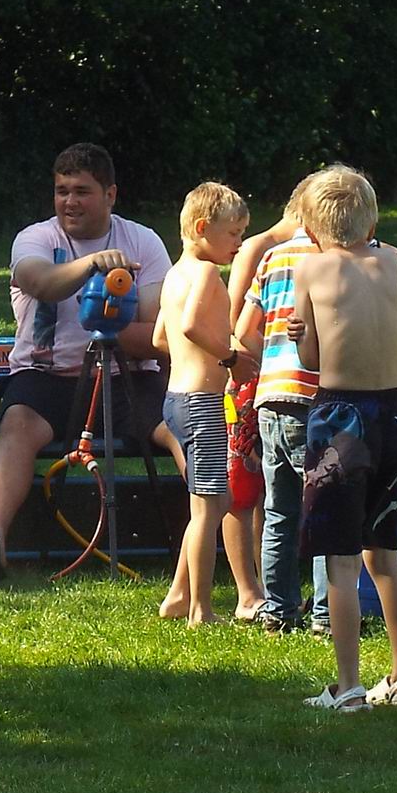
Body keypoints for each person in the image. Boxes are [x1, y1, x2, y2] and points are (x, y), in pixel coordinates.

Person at [0, 143, 183, 582]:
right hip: (47, 377)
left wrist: (113, 327)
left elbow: (158, 333)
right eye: (61, 191)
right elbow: (41, 282)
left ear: (110, 194)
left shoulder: (142, 241)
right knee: (18, 426)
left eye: (82, 191)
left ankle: (213, 531)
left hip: (125, 376)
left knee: (182, 426)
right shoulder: (36, 239)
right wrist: (91, 266)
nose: (69, 202)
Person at [290, 167, 397, 712]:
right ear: (371, 221)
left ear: (311, 227)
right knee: (385, 551)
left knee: (340, 560)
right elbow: (393, 331)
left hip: (339, 418)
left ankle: (347, 685)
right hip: (393, 413)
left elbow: (312, 359)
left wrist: (300, 335)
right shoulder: (396, 262)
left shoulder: (309, 268)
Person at [232, 174, 332, 636]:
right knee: (324, 506)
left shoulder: (272, 257)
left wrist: (269, 360)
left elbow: (245, 329)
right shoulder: (331, 259)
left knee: (279, 509)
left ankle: (278, 608)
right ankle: (326, 613)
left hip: (272, 395)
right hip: (316, 394)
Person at [153, 182, 253, 626]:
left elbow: (161, 337)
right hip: (202, 402)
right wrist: (229, 358)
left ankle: (178, 595)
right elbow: (192, 325)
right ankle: (200, 609)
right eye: (232, 233)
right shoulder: (207, 274)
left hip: (176, 398)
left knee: (215, 499)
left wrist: (195, 355)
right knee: (208, 508)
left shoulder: (173, 275)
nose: (239, 242)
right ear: (201, 228)